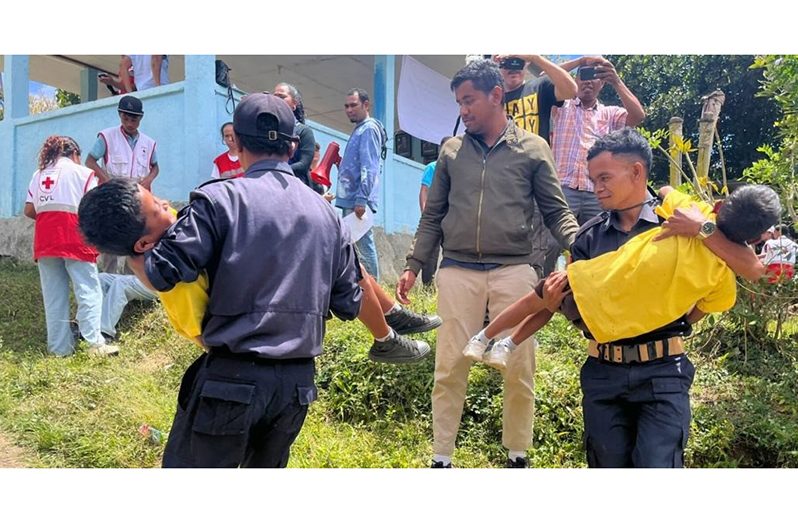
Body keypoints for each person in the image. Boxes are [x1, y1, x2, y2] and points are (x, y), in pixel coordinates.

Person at [83, 93, 364, 467]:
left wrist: (136, 254)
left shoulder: (218, 201)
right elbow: (348, 303)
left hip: (233, 379)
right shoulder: (327, 215)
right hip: (296, 388)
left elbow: (164, 272)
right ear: (293, 145)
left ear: (238, 143)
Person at [397, 59, 579, 468]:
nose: (463, 110)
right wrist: (414, 263)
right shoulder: (451, 151)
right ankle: (441, 457)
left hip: (515, 268)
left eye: (469, 100)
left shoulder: (533, 148)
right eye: (459, 102)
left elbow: (557, 212)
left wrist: (582, 248)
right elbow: (433, 215)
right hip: (458, 268)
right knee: (450, 364)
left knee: (518, 364)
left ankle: (517, 454)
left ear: (496, 95)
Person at [559, 128, 766, 467]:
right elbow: (578, 307)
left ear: (637, 171)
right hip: (603, 373)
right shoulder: (587, 238)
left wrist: (702, 228)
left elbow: (752, 268)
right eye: (593, 179)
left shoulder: (680, 217)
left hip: (663, 373)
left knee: (658, 467)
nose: (596, 188)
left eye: (605, 177)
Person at [465, 183, 780, 369]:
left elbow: (667, 189)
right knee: (549, 304)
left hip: (590, 283)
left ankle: (486, 337)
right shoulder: (723, 278)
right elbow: (692, 316)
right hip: (606, 326)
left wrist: (699, 220)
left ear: (721, 204)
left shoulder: (689, 211)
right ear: (755, 240)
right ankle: (507, 345)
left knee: (542, 299)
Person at [542, 55, 647, 274]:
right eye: (584, 76)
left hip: (596, 192)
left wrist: (617, 81)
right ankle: (543, 299)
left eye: (595, 76)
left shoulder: (610, 114)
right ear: (575, 79)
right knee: (547, 246)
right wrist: (579, 62)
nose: (588, 81)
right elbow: (542, 79)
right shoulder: (560, 106)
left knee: (599, 248)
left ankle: (587, 298)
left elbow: (638, 116)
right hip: (562, 188)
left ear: (602, 83)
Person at [23, 136, 119, 357]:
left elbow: (29, 210)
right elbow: (93, 208)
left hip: (46, 240)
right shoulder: (84, 174)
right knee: (88, 290)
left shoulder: (38, 175)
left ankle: (59, 349)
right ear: (74, 153)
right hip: (75, 237)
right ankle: (94, 344)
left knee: (54, 295)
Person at [496, 54, 578, 277]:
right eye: (508, 63)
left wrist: (533, 56)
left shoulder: (538, 86)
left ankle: (534, 292)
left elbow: (571, 90)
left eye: (518, 63)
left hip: (534, 177)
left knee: (538, 244)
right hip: (502, 178)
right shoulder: (494, 95)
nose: (513, 68)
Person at [85, 95, 159, 274]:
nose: (129, 123)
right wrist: (106, 179)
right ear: (120, 115)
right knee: (111, 238)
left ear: (140, 119)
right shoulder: (107, 136)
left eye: (133, 119)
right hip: (112, 194)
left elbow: (155, 167)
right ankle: (108, 279)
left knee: (134, 238)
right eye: (125, 118)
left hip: (137, 194)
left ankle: (128, 280)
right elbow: (90, 161)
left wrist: (148, 180)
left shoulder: (148, 143)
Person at [334, 88, 387, 280]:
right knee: (355, 247)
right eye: (346, 106)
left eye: (353, 105)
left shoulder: (369, 128)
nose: (349, 110)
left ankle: (375, 291)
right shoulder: (360, 130)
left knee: (364, 246)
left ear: (366, 105)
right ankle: (364, 290)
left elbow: (370, 166)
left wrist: (361, 199)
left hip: (358, 200)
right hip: (353, 198)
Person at [273, 82, 324, 194]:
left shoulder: (303, 131)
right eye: (274, 97)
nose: (277, 100)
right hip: (271, 184)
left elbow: (304, 164)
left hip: (295, 188)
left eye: (282, 97)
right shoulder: (269, 129)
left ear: (294, 104)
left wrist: (278, 170)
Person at [417, 136, 451, 287]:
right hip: (435, 217)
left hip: (452, 218)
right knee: (430, 254)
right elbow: (424, 190)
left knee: (451, 253)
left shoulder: (457, 169)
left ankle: (448, 286)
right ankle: (427, 287)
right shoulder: (432, 167)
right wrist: (425, 213)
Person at [98, 273, 159, 339]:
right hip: (148, 278)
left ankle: (104, 332)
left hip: (163, 285)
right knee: (102, 278)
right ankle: (94, 325)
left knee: (121, 283)